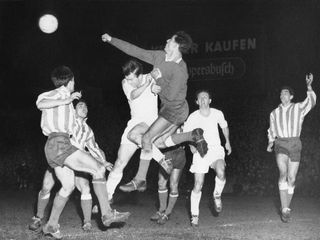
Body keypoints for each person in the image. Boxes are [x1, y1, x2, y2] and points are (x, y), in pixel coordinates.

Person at [102, 31, 208, 192]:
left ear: (177, 45)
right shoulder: (159, 56)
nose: (166, 39)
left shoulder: (180, 70)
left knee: (147, 138)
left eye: (170, 39)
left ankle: (140, 179)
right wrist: (112, 40)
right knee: (158, 143)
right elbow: (136, 51)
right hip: (167, 108)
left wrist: (157, 81)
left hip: (176, 109)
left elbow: (171, 96)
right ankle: (192, 136)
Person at [35, 66, 130, 239]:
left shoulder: (71, 107)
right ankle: (107, 214)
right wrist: (66, 99)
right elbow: (40, 104)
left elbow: (87, 138)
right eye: (73, 82)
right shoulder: (56, 94)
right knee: (97, 169)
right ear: (70, 81)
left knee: (68, 186)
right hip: (58, 143)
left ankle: (51, 225)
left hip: (56, 145)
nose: (74, 85)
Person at [29, 99, 112, 233]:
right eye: (80, 105)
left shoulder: (88, 130)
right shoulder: (67, 121)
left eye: (86, 106)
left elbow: (94, 148)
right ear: (73, 109)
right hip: (61, 156)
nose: (84, 107)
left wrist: (104, 161)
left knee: (84, 188)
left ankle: (87, 222)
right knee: (46, 187)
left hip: (77, 161)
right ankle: (38, 217)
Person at [106, 59, 161, 201]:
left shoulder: (150, 76)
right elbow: (133, 95)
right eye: (126, 78)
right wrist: (149, 84)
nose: (128, 81)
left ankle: (162, 160)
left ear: (139, 75)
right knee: (119, 162)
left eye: (131, 79)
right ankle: (107, 197)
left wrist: (156, 83)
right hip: (134, 122)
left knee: (136, 135)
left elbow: (162, 79)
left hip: (150, 123)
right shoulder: (126, 83)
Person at [267, 73, 316, 223]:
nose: (283, 95)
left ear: (291, 96)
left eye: (286, 93)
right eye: (281, 93)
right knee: (283, 172)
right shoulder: (274, 113)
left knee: (292, 178)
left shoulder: (298, 108)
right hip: (281, 143)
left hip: (295, 143)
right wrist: (270, 142)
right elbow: (271, 130)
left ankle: (285, 208)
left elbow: (312, 102)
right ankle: (285, 208)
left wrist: (309, 86)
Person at [183, 89, 232, 227]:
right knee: (198, 184)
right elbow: (187, 133)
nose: (203, 99)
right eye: (200, 98)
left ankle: (217, 195)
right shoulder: (193, 117)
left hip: (216, 149)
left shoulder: (217, 113)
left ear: (210, 100)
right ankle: (195, 215)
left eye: (206, 97)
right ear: (197, 102)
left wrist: (227, 141)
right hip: (201, 151)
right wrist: (191, 145)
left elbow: (224, 127)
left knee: (221, 171)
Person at [150, 129, 186, 225]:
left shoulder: (185, 122)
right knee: (161, 182)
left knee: (173, 184)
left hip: (179, 154)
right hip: (167, 153)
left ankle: (167, 213)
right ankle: (161, 210)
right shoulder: (166, 121)